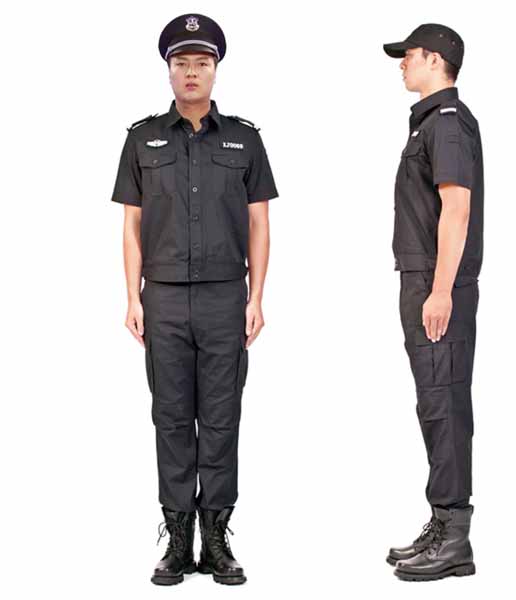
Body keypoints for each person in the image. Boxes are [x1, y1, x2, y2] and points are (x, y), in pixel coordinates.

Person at [110, 13, 278, 586]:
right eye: (181, 62)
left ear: (215, 70)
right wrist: (131, 297)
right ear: (168, 70)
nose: (190, 72)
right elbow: (131, 226)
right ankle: (178, 542)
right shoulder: (142, 139)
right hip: (162, 301)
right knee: (172, 417)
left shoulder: (245, 139)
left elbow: (259, 223)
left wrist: (257, 296)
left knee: (223, 418)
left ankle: (218, 540)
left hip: (225, 298)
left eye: (201, 63)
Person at [382, 23, 484, 581]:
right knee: (434, 403)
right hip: (424, 280)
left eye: (409, 55)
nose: (402, 63)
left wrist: (441, 289)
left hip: (437, 284)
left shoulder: (446, 123)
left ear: (436, 60)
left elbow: (457, 209)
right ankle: (442, 523)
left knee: (444, 404)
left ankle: (454, 537)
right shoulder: (431, 122)